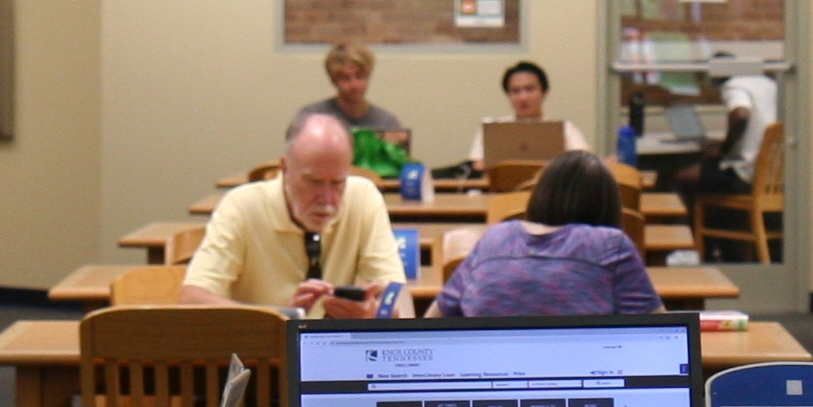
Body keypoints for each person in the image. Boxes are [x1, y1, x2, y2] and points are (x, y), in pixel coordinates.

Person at [182, 112, 403, 317]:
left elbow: (399, 299)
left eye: (337, 184)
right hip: (264, 354)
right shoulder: (242, 206)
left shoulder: (363, 197)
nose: (326, 199)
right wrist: (282, 318)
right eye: (313, 182)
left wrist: (373, 313)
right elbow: (192, 300)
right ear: (285, 168)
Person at [435, 151, 663, 319]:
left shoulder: (495, 238)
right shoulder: (610, 245)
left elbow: (435, 318)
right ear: (608, 205)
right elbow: (660, 332)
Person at [675, 68, 781, 251]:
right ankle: (727, 247)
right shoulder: (769, 84)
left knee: (683, 178)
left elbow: (740, 115)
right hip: (774, 176)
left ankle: (695, 249)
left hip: (747, 174)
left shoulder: (734, 85)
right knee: (712, 173)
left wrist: (724, 149)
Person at [293, 42, 407, 161]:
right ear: (333, 81)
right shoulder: (311, 118)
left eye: (359, 76)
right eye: (346, 78)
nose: (354, 85)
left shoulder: (386, 123)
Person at [462, 58, 589, 165]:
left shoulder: (564, 128)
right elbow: (477, 164)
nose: (523, 98)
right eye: (515, 91)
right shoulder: (493, 129)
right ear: (508, 95)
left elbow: (585, 160)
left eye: (530, 89)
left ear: (544, 92)